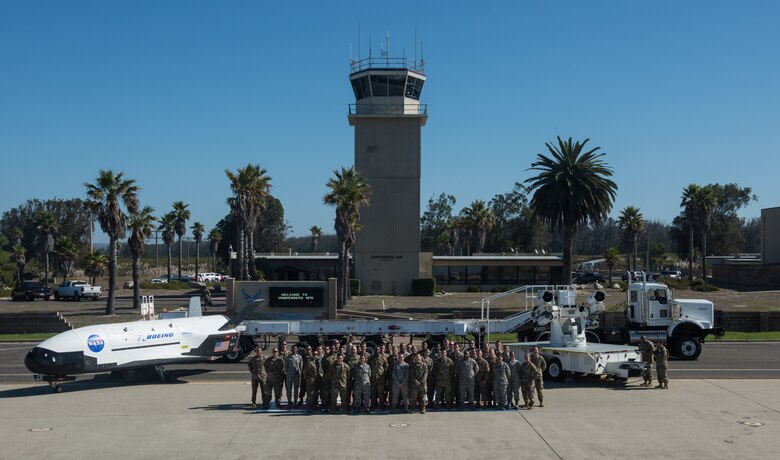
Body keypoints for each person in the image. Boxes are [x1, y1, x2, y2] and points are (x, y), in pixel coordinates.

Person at [368, 345, 388, 410]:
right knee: (373, 393)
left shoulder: (383, 358)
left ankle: (381, 406)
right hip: (373, 378)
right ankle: (373, 406)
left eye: (378, 349)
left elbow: (386, 367)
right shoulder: (371, 358)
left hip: (380, 379)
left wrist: (383, 374)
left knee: (381, 393)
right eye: (376, 349)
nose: (377, 351)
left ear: (380, 350)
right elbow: (368, 367)